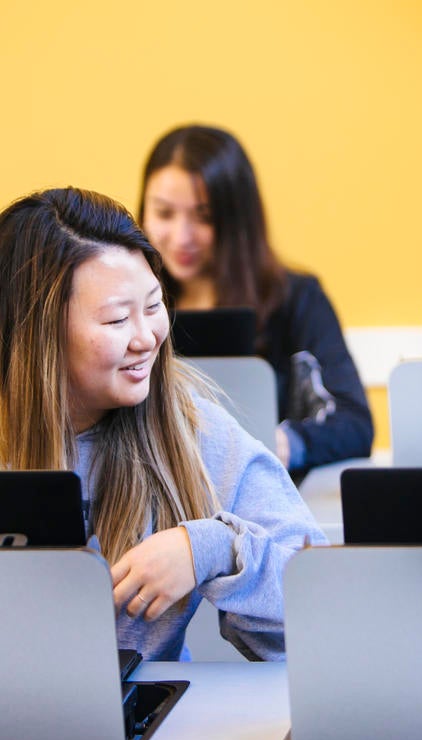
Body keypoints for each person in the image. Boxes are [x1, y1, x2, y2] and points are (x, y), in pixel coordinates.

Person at [0, 187, 327, 661]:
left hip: (142, 707)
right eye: (117, 320)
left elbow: (324, 603)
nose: (147, 337)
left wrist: (215, 550)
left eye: (153, 307)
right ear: (38, 338)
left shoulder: (191, 431)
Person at [138, 125, 373, 479]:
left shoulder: (296, 299)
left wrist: (283, 443)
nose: (182, 237)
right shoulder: (131, 304)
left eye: (204, 217)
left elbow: (354, 424)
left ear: (238, 220)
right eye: (164, 213)